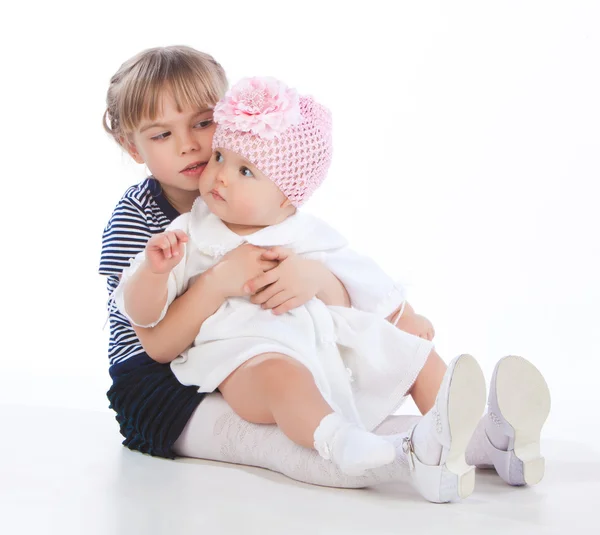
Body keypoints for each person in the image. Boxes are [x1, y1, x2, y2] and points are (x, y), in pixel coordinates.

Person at [100, 47, 550, 503]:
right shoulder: (168, 228)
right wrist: (218, 279)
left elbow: (348, 272)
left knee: (393, 359)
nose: (190, 146)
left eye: (202, 124)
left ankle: (485, 439)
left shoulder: (267, 203)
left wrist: (362, 300)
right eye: (162, 134)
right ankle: (408, 458)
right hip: (161, 384)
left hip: (294, 349)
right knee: (282, 434)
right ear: (132, 145)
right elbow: (151, 337)